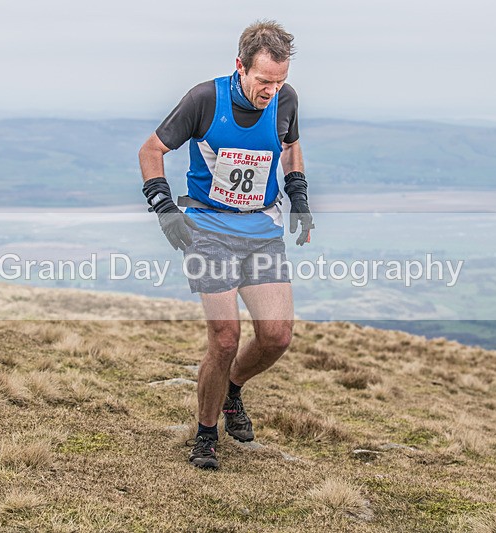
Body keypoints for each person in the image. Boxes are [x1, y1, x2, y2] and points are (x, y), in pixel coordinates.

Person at [138, 20, 313, 469]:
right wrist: (164, 208)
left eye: (279, 82)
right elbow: (151, 150)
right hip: (208, 229)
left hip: (261, 230)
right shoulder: (204, 99)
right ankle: (205, 433)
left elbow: (291, 146)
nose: (271, 91)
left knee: (276, 336)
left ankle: (232, 388)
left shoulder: (285, 100)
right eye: (263, 81)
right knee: (225, 337)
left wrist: (299, 198)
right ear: (240, 66)